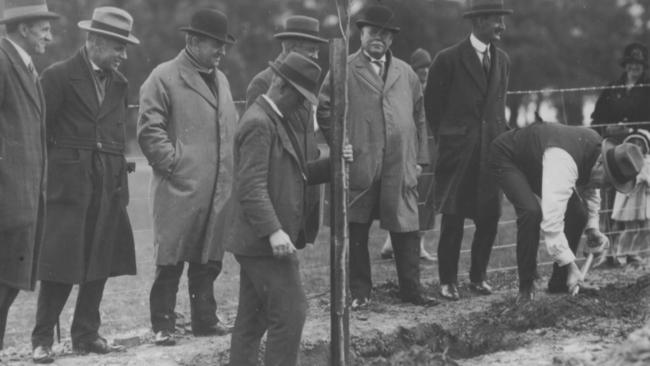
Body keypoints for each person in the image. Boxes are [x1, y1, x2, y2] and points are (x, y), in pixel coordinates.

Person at [228, 52, 352, 366]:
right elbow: (251, 186)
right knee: (291, 313)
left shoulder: (274, 120)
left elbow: (297, 172)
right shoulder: (259, 123)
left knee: (253, 320)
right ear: (280, 84)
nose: (302, 105)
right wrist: (274, 231)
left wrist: (335, 161)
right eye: (299, 97)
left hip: (257, 240)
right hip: (262, 242)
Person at [30, 7, 138, 363]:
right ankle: (42, 338)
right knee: (59, 264)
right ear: (94, 41)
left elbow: (116, 135)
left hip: (108, 186)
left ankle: (86, 333)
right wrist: (49, 180)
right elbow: (39, 135)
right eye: (118, 47)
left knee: (100, 259)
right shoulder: (57, 76)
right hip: (68, 188)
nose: (124, 55)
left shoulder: (120, 83)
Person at [318, 4, 436, 309]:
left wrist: (419, 157)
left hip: (400, 163)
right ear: (361, 33)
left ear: (392, 39)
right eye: (372, 32)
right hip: (361, 161)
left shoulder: (406, 73)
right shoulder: (344, 68)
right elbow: (325, 109)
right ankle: (360, 293)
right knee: (356, 228)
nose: (378, 38)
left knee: (406, 227)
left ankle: (411, 291)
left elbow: (419, 115)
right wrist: (340, 142)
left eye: (384, 34)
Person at [137, 8, 238, 346]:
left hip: (216, 187)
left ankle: (204, 320)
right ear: (193, 41)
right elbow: (149, 130)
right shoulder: (163, 76)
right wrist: (175, 165)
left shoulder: (221, 79)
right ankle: (163, 325)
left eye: (223, 45)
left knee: (208, 258)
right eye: (215, 44)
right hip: (179, 187)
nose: (221, 51)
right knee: (171, 258)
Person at [489, 121, 643, 303]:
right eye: (608, 182)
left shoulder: (596, 155)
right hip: (508, 156)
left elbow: (591, 190)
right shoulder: (563, 161)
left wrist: (592, 229)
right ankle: (526, 287)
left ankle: (559, 282)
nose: (605, 188)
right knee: (531, 212)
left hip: (540, 161)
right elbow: (552, 223)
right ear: (601, 164)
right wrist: (572, 266)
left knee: (578, 214)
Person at [424, 0, 513, 301]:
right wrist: (451, 138)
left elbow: (499, 107)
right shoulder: (447, 59)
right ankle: (447, 281)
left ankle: (478, 277)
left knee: (489, 218)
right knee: (453, 219)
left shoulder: (502, 60)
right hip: (458, 154)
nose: (501, 26)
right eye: (496, 20)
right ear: (478, 22)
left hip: (491, 154)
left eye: (502, 19)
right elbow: (432, 107)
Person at [0, 0, 58, 353]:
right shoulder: (3, 62)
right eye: (44, 28)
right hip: (7, 204)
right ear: (23, 28)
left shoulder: (24, 65)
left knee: (5, 290)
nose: (50, 36)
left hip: (21, 205)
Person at [245, 15, 327, 246]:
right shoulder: (264, 83)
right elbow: (257, 145)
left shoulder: (305, 80)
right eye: (311, 50)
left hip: (305, 184)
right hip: (278, 190)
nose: (316, 56)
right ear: (290, 48)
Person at [591, 42, 650, 267]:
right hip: (612, 150)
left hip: (639, 152)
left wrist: (635, 131)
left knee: (633, 200)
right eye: (631, 63)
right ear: (625, 65)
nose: (634, 67)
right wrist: (608, 129)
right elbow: (596, 118)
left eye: (639, 64)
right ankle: (608, 251)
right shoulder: (613, 88)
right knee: (609, 197)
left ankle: (632, 251)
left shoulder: (647, 88)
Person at [380, 48, 437, 262]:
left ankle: (418, 245)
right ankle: (392, 243)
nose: (424, 72)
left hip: (430, 147)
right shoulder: (405, 89)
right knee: (405, 194)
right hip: (408, 147)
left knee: (426, 196)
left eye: (426, 67)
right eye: (419, 68)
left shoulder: (433, 90)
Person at [611, 130, 650, 266]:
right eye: (634, 144)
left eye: (640, 144)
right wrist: (640, 178)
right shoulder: (625, 163)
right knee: (630, 228)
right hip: (630, 199)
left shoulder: (647, 161)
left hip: (644, 199)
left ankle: (634, 251)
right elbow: (627, 181)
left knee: (646, 228)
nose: (638, 147)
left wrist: (646, 179)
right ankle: (621, 254)